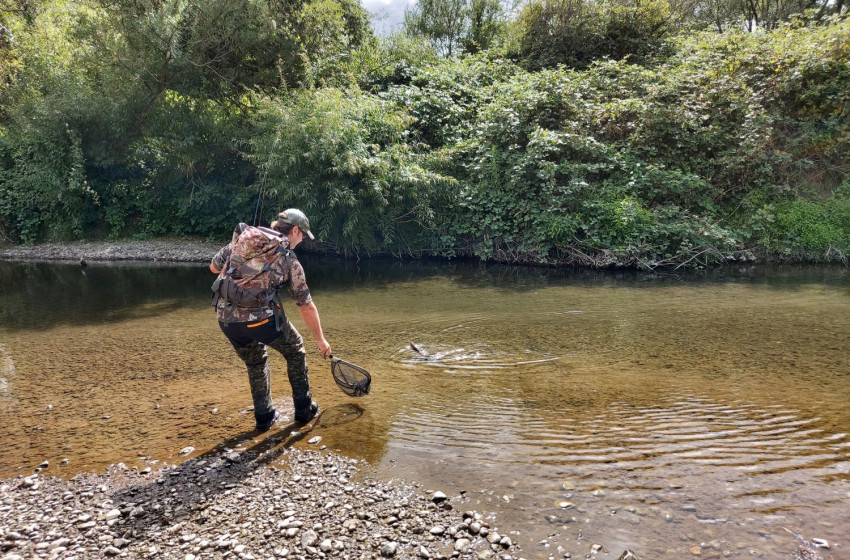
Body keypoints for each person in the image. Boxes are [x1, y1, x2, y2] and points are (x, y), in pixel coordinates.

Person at [209, 208, 332, 431]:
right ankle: (304, 410)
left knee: (255, 361)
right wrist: (321, 341)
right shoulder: (288, 259)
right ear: (295, 230)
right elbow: (305, 305)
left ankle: (264, 418)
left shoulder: (243, 238)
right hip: (259, 321)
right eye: (303, 234)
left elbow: (213, 267)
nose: (302, 240)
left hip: (225, 318)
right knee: (295, 350)